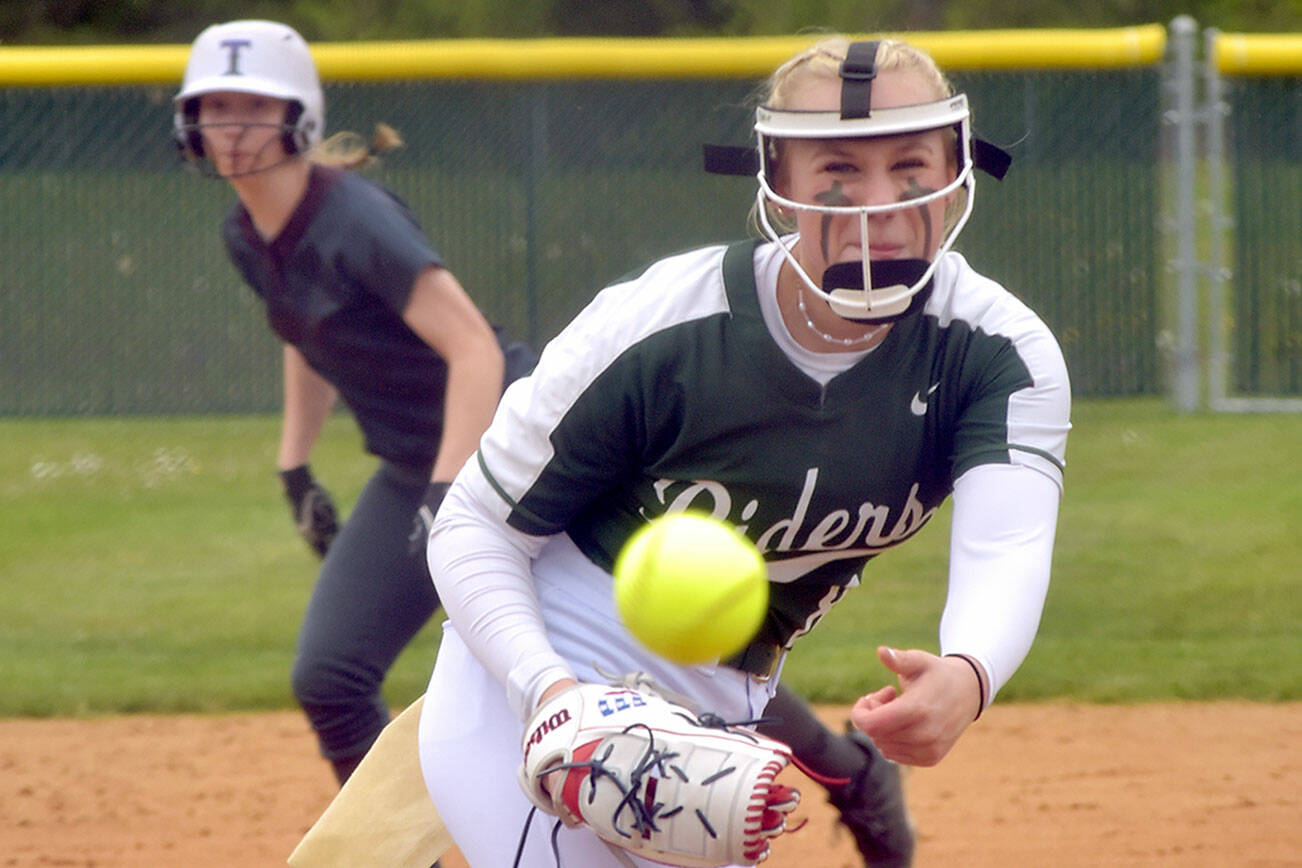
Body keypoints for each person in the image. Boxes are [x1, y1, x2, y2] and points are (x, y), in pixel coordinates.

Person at [417, 33, 1069, 867]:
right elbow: (474, 524)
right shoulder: (663, 323)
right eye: (837, 171)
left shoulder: (995, 351)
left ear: (957, 171)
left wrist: (970, 672)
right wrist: (548, 691)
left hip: (723, 709)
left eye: (910, 164)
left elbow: (1006, 542)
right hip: (534, 675)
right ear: (780, 185)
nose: (880, 202)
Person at [173, 19, 535, 786]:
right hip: (416, 465)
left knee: (623, 650)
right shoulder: (246, 232)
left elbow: (473, 350)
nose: (231, 131)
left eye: (253, 109)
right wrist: (295, 467)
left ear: (295, 117)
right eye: (214, 109)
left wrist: (448, 496)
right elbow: (305, 332)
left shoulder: (354, 220)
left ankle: (851, 777)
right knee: (331, 678)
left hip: (517, 454)